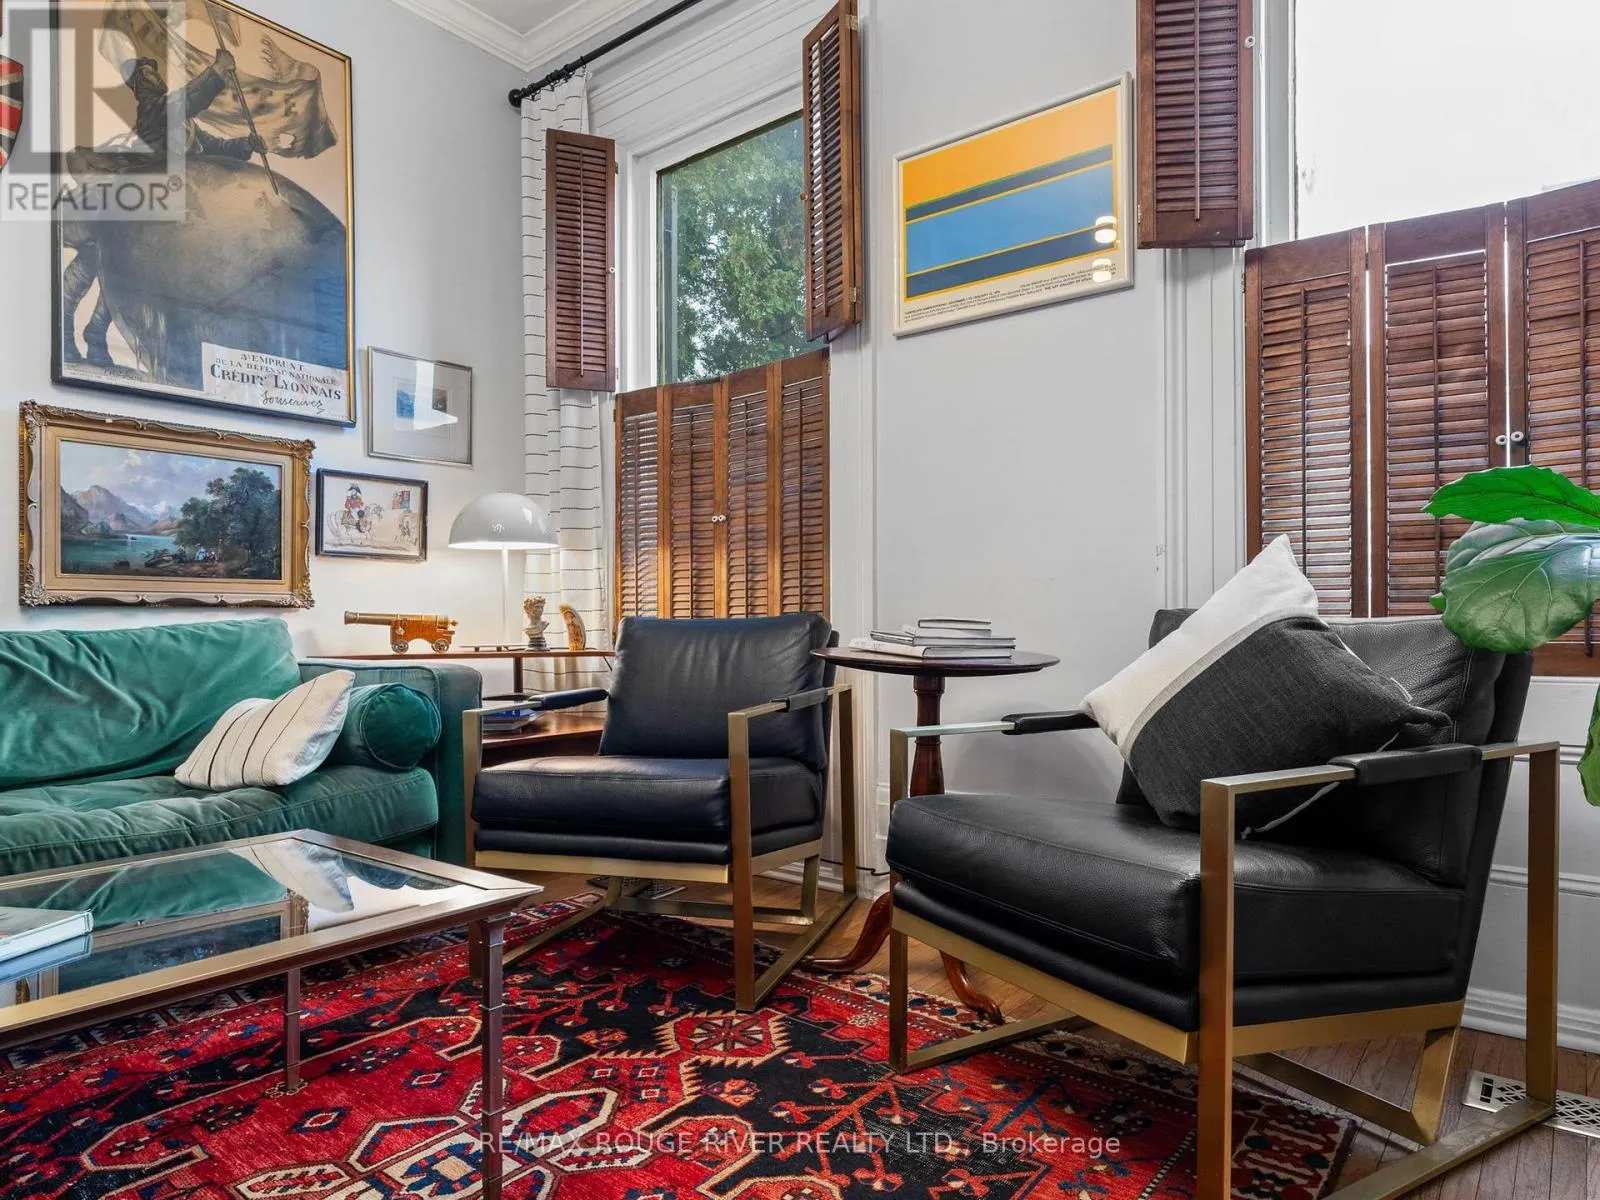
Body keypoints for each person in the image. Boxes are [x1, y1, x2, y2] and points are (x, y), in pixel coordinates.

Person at [62, 48, 266, 367]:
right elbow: (189, 98)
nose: (152, 79)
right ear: (140, 88)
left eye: (153, 74)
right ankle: (64, 335)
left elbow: (219, 148)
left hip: (157, 214)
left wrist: (245, 145)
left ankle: (95, 334)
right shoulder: (156, 111)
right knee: (88, 268)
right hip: (124, 202)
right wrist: (217, 71)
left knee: (122, 275)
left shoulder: (188, 127)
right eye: (145, 76)